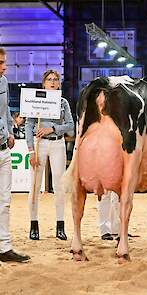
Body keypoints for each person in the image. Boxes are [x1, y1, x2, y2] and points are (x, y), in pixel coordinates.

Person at [25, 69, 74, 241]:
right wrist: (31, 150)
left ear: (59, 83)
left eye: (56, 79)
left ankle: (60, 226)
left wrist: (52, 129)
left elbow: (70, 125)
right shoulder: (35, 100)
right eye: (49, 79)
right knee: (35, 185)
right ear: (43, 83)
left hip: (57, 143)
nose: (53, 82)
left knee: (59, 186)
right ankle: (33, 225)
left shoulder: (63, 102)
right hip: (40, 145)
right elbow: (29, 126)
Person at [0, 47, 30, 262]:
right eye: (0, 62)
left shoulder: (3, 81)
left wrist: (10, 132)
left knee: (5, 201)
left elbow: (4, 110)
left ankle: (4, 247)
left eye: (4, 62)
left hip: (3, 148)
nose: (4, 67)